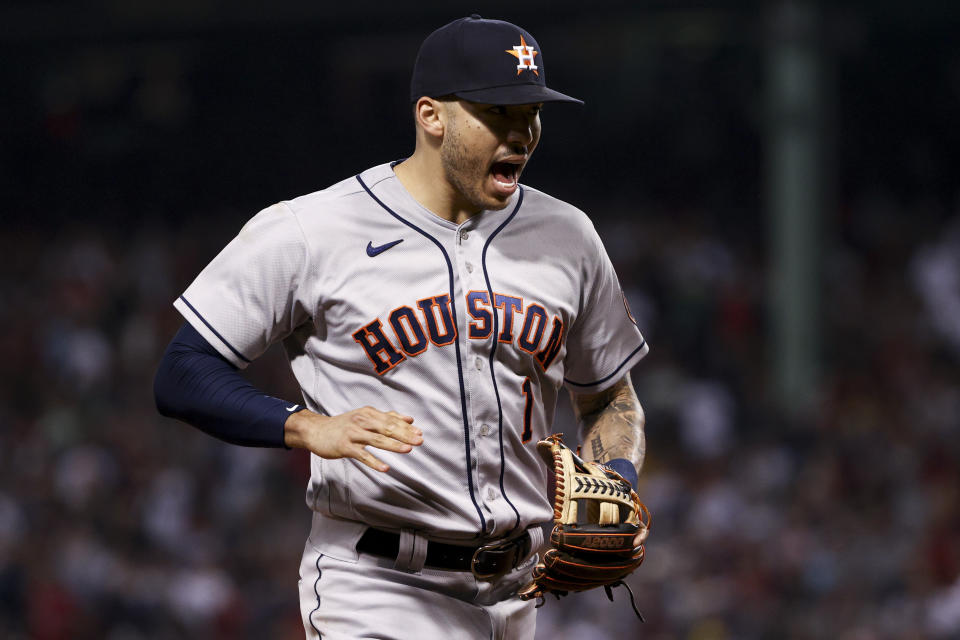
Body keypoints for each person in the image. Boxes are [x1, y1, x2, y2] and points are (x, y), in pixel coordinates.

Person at [154, 14, 649, 639]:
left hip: (518, 595)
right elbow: (181, 372)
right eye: (499, 113)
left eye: (531, 112)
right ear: (431, 115)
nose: (523, 132)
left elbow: (608, 395)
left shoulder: (568, 236)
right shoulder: (313, 230)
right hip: (377, 586)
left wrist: (618, 480)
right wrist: (304, 426)